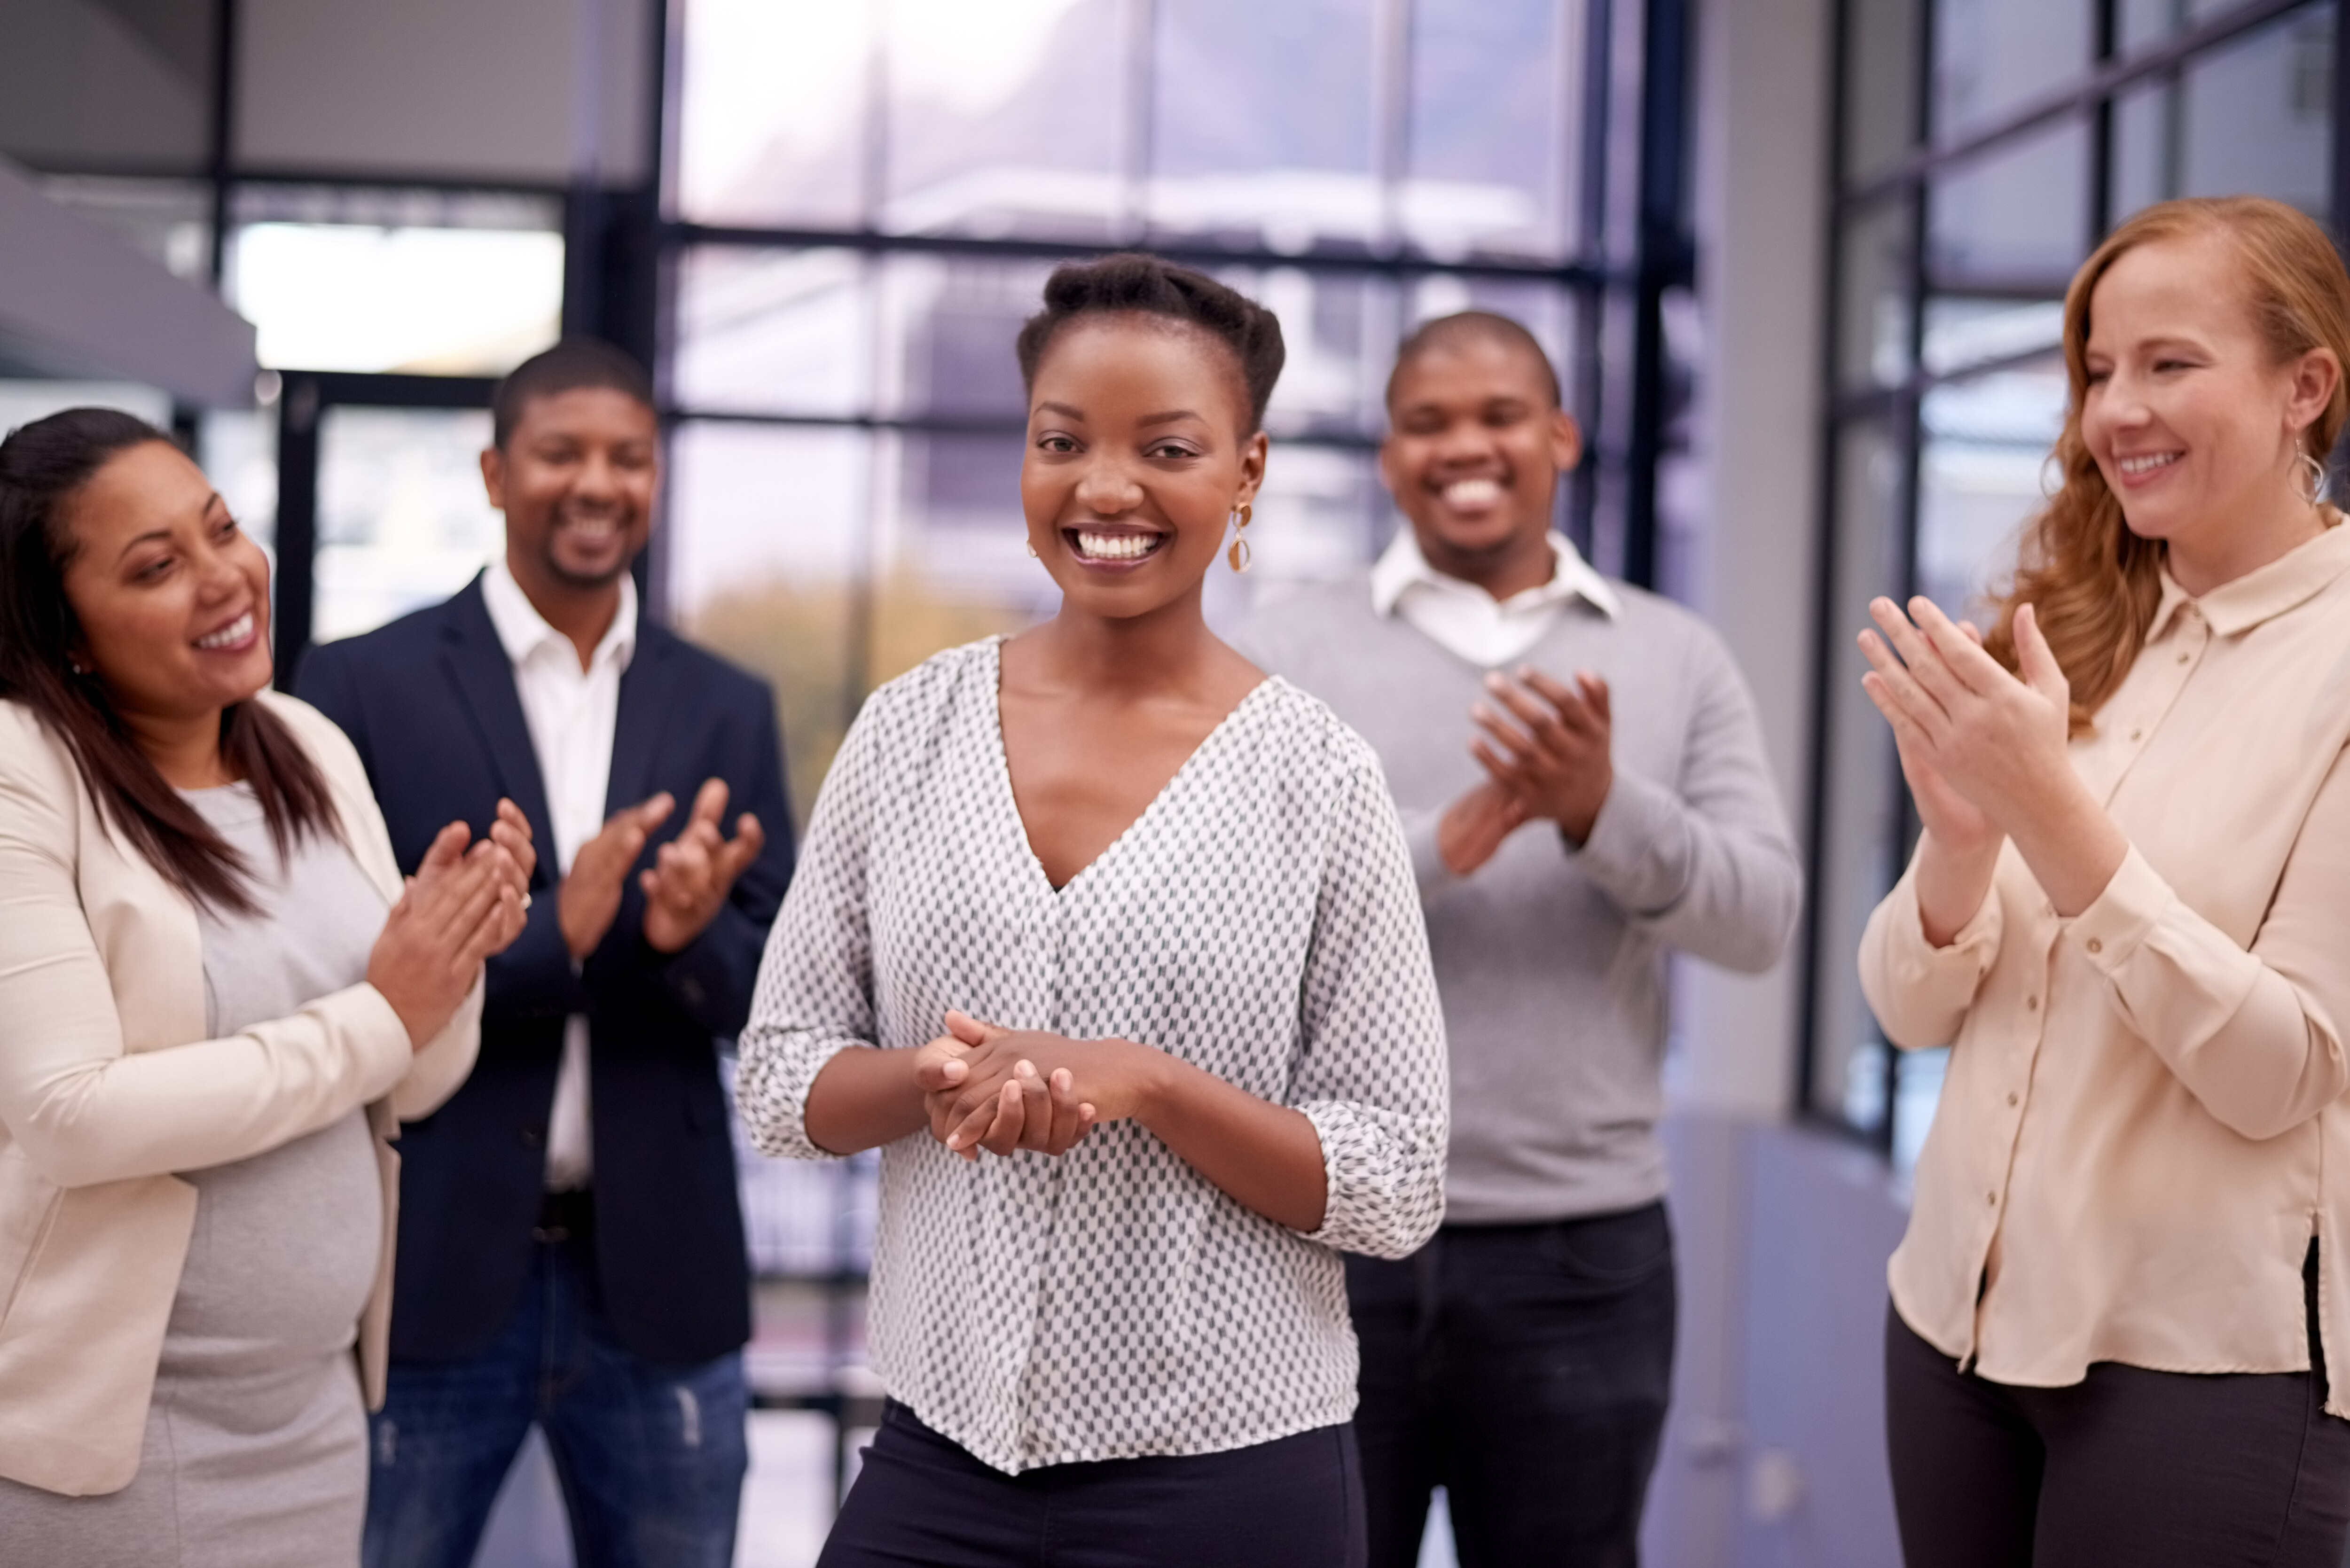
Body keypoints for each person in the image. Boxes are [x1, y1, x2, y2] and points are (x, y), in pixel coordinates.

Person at [735, 253, 1448, 1568]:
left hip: (1230, 1480)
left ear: (1246, 476)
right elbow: (780, 1080)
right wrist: (937, 1077)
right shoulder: (908, 736)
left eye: (1165, 448)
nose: (1105, 487)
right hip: (939, 1460)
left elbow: (1397, 1177)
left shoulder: (1319, 779)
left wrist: (1152, 1086)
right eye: (1062, 441)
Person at [1238, 311, 1801, 1566]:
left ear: (1560, 438)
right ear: (1389, 456)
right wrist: (1457, 835)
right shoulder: (1281, 654)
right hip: (1326, 1235)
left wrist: (1604, 807)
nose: (1464, 447)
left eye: (1499, 416)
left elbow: (1761, 920)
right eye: (1427, 423)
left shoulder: (1674, 656)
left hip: (1582, 1256)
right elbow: (1233, 915)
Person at [1857, 195, 2350, 1564]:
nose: (2114, 410)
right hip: (1948, 1325)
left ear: (2306, 384)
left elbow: (2281, 1071)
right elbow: (1907, 1010)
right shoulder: (2068, 617)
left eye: (2168, 363)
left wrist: (2057, 820)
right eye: (2096, 369)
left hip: (2205, 1370)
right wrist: (1962, 839)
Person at [297, 339, 796, 1568]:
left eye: (629, 457)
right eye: (562, 452)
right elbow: (338, 979)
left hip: (660, 1277)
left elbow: (769, 992)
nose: (598, 483)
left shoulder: (728, 700)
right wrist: (556, 934)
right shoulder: (360, 686)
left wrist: (684, 940)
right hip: (431, 1264)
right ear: (493, 470)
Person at [0, 409, 531, 1564]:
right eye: (156, 567)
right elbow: (70, 1113)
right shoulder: (23, 776)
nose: (224, 576)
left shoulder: (307, 744)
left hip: (314, 1418)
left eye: (222, 530)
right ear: (67, 635)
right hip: (115, 1448)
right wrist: (379, 1010)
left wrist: (452, 954)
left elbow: (411, 1081)